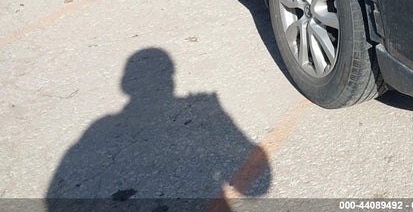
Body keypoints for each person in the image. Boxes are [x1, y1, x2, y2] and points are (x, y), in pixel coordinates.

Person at [46, 48, 270, 210]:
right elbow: (260, 186)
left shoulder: (97, 129)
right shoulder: (204, 109)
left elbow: (53, 197)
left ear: (125, 83)